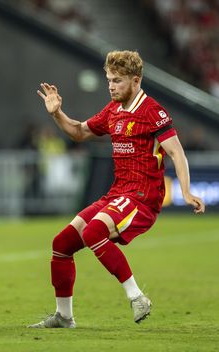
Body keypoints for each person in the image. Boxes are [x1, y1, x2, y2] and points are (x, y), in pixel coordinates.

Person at [29, 50, 205, 328]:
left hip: (141, 197)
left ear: (136, 81)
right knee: (61, 244)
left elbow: (177, 153)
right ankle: (64, 316)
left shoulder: (153, 112)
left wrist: (185, 191)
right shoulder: (113, 111)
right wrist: (57, 114)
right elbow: (78, 132)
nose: (111, 86)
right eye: (109, 80)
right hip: (117, 194)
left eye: (118, 81)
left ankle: (137, 297)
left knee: (93, 231)